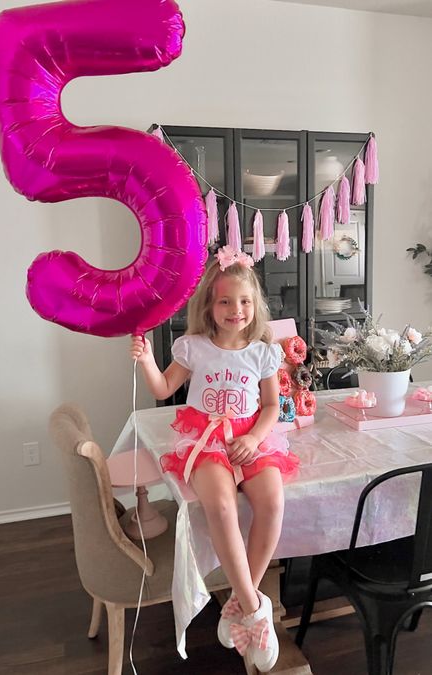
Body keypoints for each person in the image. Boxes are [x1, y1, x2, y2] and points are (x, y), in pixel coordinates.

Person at [130, 245, 299, 671]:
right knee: (220, 504)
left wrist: (257, 438)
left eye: (243, 301)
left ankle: (241, 600)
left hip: (249, 438)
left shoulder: (263, 351)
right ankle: (257, 611)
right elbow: (162, 390)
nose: (235, 309)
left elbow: (271, 407)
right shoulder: (194, 347)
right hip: (205, 438)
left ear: (254, 305)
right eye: (225, 300)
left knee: (272, 501)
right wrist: (147, 361)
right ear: (210, 304)